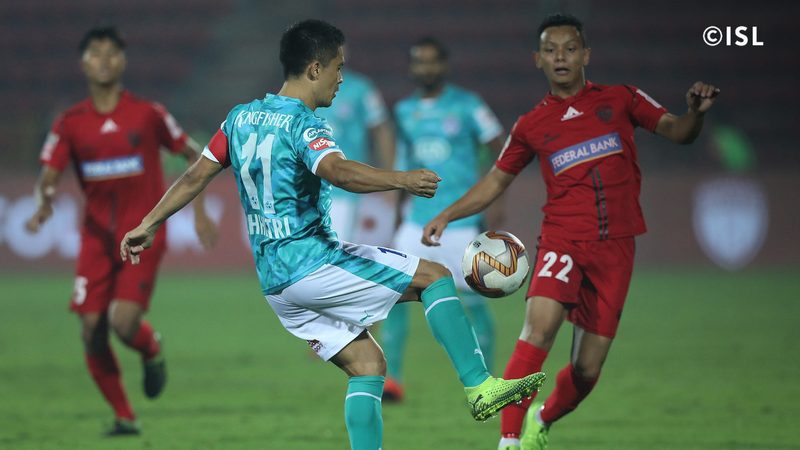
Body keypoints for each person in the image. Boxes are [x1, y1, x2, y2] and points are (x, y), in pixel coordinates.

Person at [119, 20, 545, 450]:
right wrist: (401, 179)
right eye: (338, 68)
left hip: (275, 284)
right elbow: (338, 171)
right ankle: (479, 386)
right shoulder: (304, 125)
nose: (341, 78)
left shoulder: (239, 118)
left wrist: (148, 223)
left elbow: (195, 175)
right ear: (314, 69)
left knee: (368, 364)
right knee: (434, 277)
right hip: (311, 264)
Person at [421, 14, 718, 450]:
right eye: (551, 50)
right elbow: (496, 180)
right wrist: (448, 214)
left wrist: (694, 113)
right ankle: (509, 440)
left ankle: (542, 419)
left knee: (586, 369)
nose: (561, 57)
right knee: (538, 330)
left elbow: (679, 132)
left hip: (615, 247)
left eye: (570, 48)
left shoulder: (621, 99)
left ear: (586, 55)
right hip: (562, 240)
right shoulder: (531, 125)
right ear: (537, 59)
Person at [25, 26, 218, 435]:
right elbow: (49, 174)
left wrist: (200, 213)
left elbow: (195, 156)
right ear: (83, 63)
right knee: (91, 330)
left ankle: (151, 348)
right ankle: (125, 417)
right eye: (95, 53)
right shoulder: (70, 123)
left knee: (123, 323)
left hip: (142, 234)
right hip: (95, 239)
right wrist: (44, 200)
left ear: (123, 61)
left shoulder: (148, 114)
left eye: (112, 52)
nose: (104, 60)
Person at [381, 37, 506, 402]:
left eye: (432, 61)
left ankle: (486, 381)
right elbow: (403, 163)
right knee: (392, 296)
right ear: (411, 67)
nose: (426, 68)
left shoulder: (469, 105)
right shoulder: (404, 110)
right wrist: (396, 213)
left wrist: (496, 202)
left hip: (462, 224)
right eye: (419, 61)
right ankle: (392, 379)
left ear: (444, 65)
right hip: (415, 223)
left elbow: (501, 149)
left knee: (475, 302)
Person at [316, 67, 395, 243]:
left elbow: (382, 129)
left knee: (333, 249)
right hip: (304, 187)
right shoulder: (303, 86)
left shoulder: (360, 89)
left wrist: (389, 176)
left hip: (341, 188)